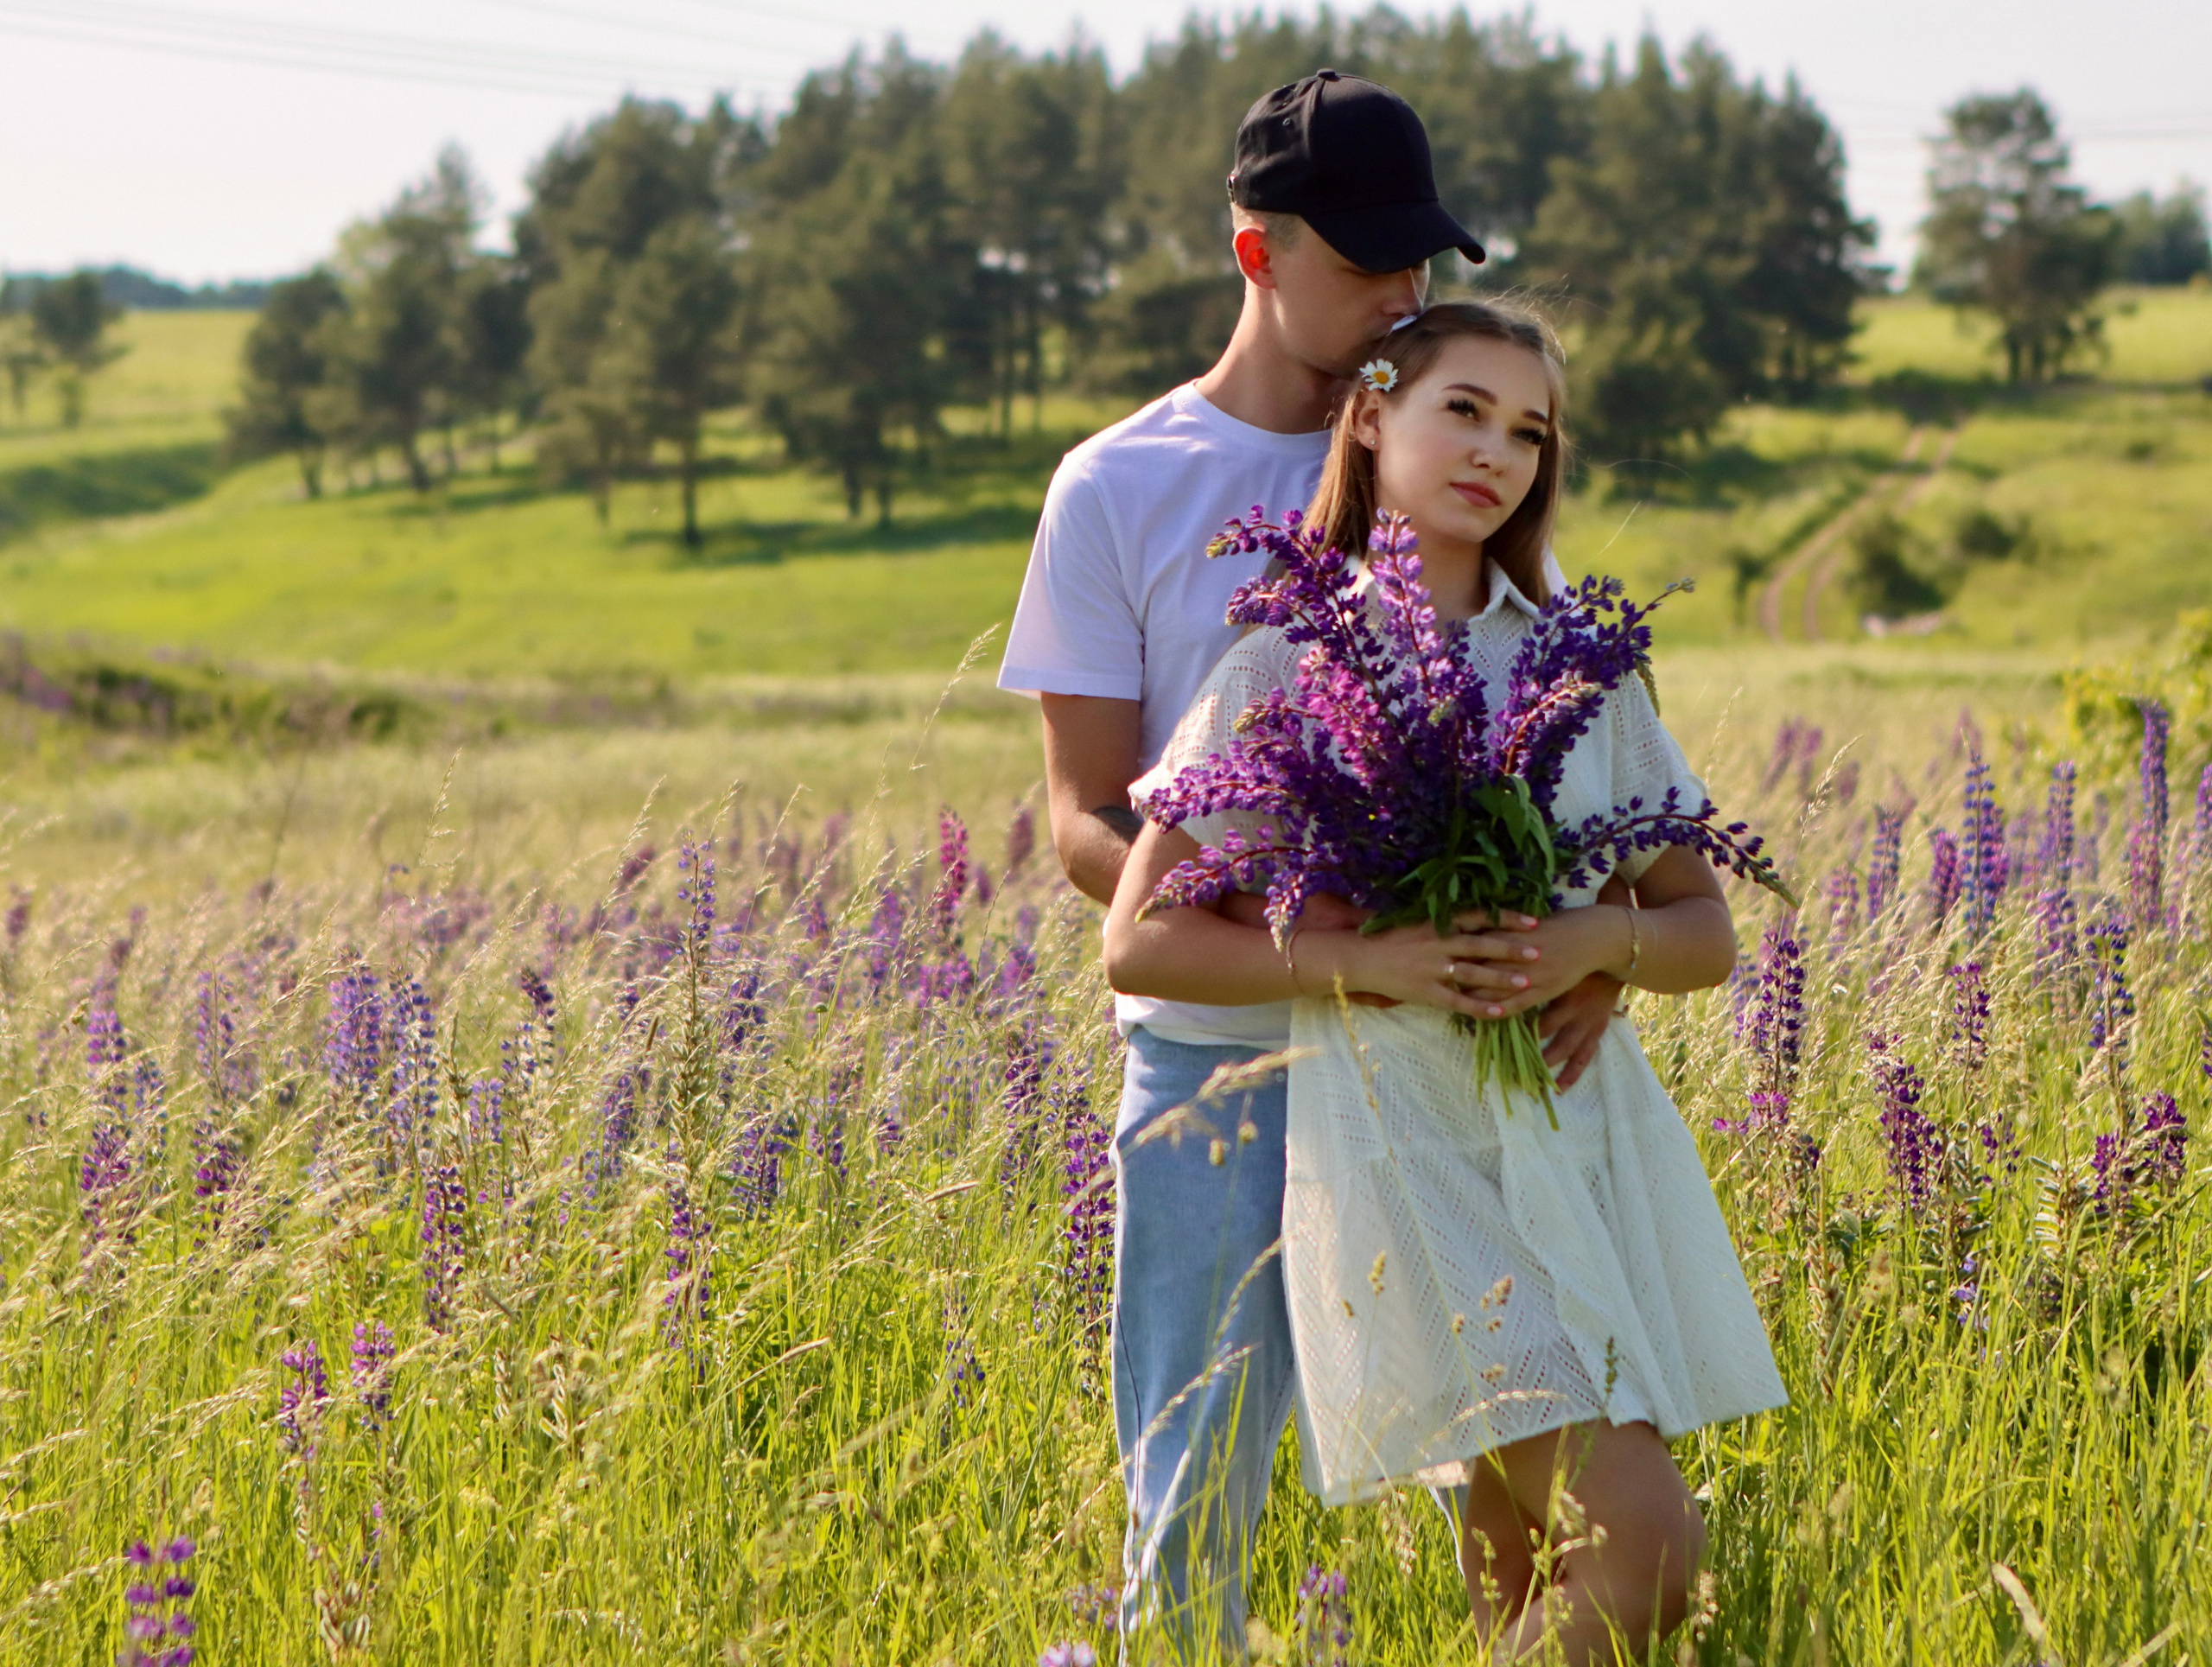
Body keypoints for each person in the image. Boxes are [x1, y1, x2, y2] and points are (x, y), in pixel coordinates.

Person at [998, 70, 1627, 1653]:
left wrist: (1572, 948)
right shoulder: (1118, 487)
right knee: (1196, 1493)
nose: (1404, 296)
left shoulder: (1446, 436)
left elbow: (1529, 719)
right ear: (1256, 253)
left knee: (1510, 1478)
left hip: (1434, 1066)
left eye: (1421, 260)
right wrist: (1315, 928)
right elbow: (1084, 817)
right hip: (1215, 1068)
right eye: (1366, 261)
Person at [1103, 299, 1788, 1663]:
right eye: (1461, 409)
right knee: (1651, 1552)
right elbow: (1140, 939)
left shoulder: (1582, 665)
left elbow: (1703, 927)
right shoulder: (1288, 661)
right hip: (1410, 1168)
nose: (1495, 451)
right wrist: (1368, 962)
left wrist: (1600, 947)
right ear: (1371, 414)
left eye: (1528, 430)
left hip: (1575, 1148)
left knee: (1534, 1574)